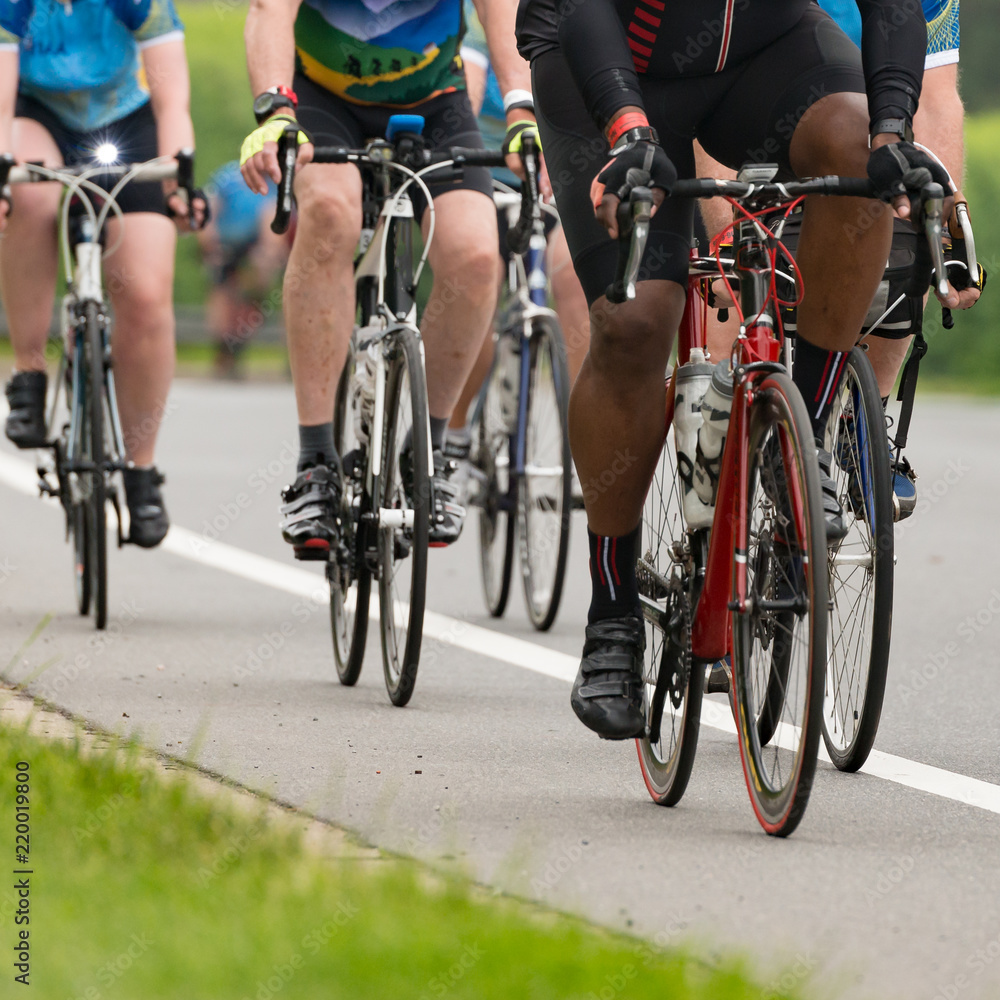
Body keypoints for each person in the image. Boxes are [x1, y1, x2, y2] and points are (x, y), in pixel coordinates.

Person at [515, 0, 953, 739]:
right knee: (635, 322)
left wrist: (890, 133)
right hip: (602, 54)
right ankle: (613, 614)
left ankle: (797, 444)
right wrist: (629, 130)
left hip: (759, 48)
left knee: (861, 162)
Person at [240, 0, 537, 557]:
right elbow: (269, 9)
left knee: (476, 256)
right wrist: (275, 111)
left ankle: (430, 453)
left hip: (435, 101)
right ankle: (315, 464)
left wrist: (521, 108)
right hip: (321, 97)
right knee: (330, 212)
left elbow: (500, 9)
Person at [0, 0, 207, 548]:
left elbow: (172, 99)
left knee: (146, 296)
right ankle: (28, 373)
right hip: (35, 116)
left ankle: (142, 471)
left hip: (124, 119)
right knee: (29, 196)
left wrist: (178, 182)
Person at [445, 0, 589, 501]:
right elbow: (469, 86)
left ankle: (587, 446)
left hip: (561, 170)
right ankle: (455, 436)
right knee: (476, 285)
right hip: (490, 168)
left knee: (572, 279)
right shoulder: (487, 16)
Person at [198, 160, 288, 379]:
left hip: (256, 245)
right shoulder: (229, 177)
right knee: (223, 293)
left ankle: (236, 344)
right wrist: (210, 244)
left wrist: (270, 253)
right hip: (227, 244)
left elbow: (273, 221)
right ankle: (223, 350)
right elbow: (210, 209)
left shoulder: (278, 181)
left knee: (254, 295)